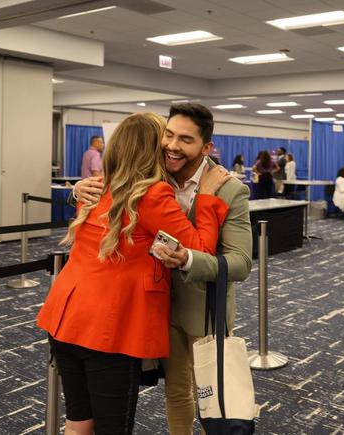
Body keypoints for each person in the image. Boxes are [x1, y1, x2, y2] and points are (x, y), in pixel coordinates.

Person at [37, 112, 231, 435]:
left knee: (78, 423)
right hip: (109, 331)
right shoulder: (152, 195)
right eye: (165, 140)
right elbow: (200, 249)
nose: (171, 146)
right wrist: (208, 197)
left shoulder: (98, 187)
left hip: (64, 320)